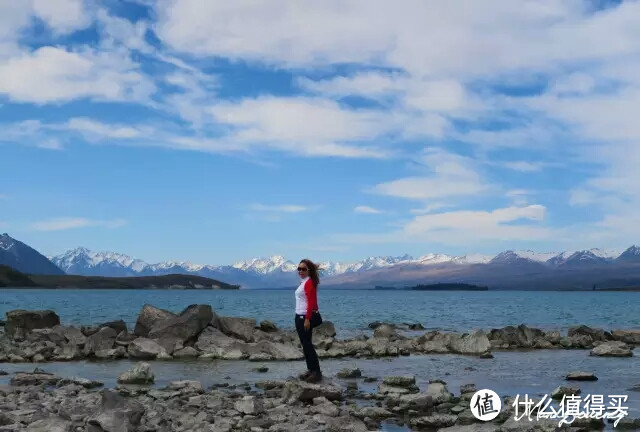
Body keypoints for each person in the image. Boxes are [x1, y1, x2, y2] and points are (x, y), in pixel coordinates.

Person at [295, 258, 323, 383]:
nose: (300, 271)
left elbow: (311, 302)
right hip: (299, 316)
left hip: (304, 317)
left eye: (303, 269)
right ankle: (311, 370)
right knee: (306, 345)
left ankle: (316, 372)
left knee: (307, 345)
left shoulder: (309, 282)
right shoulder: (303, 282)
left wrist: (307, 319)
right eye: (299, 269)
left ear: (309, 270)